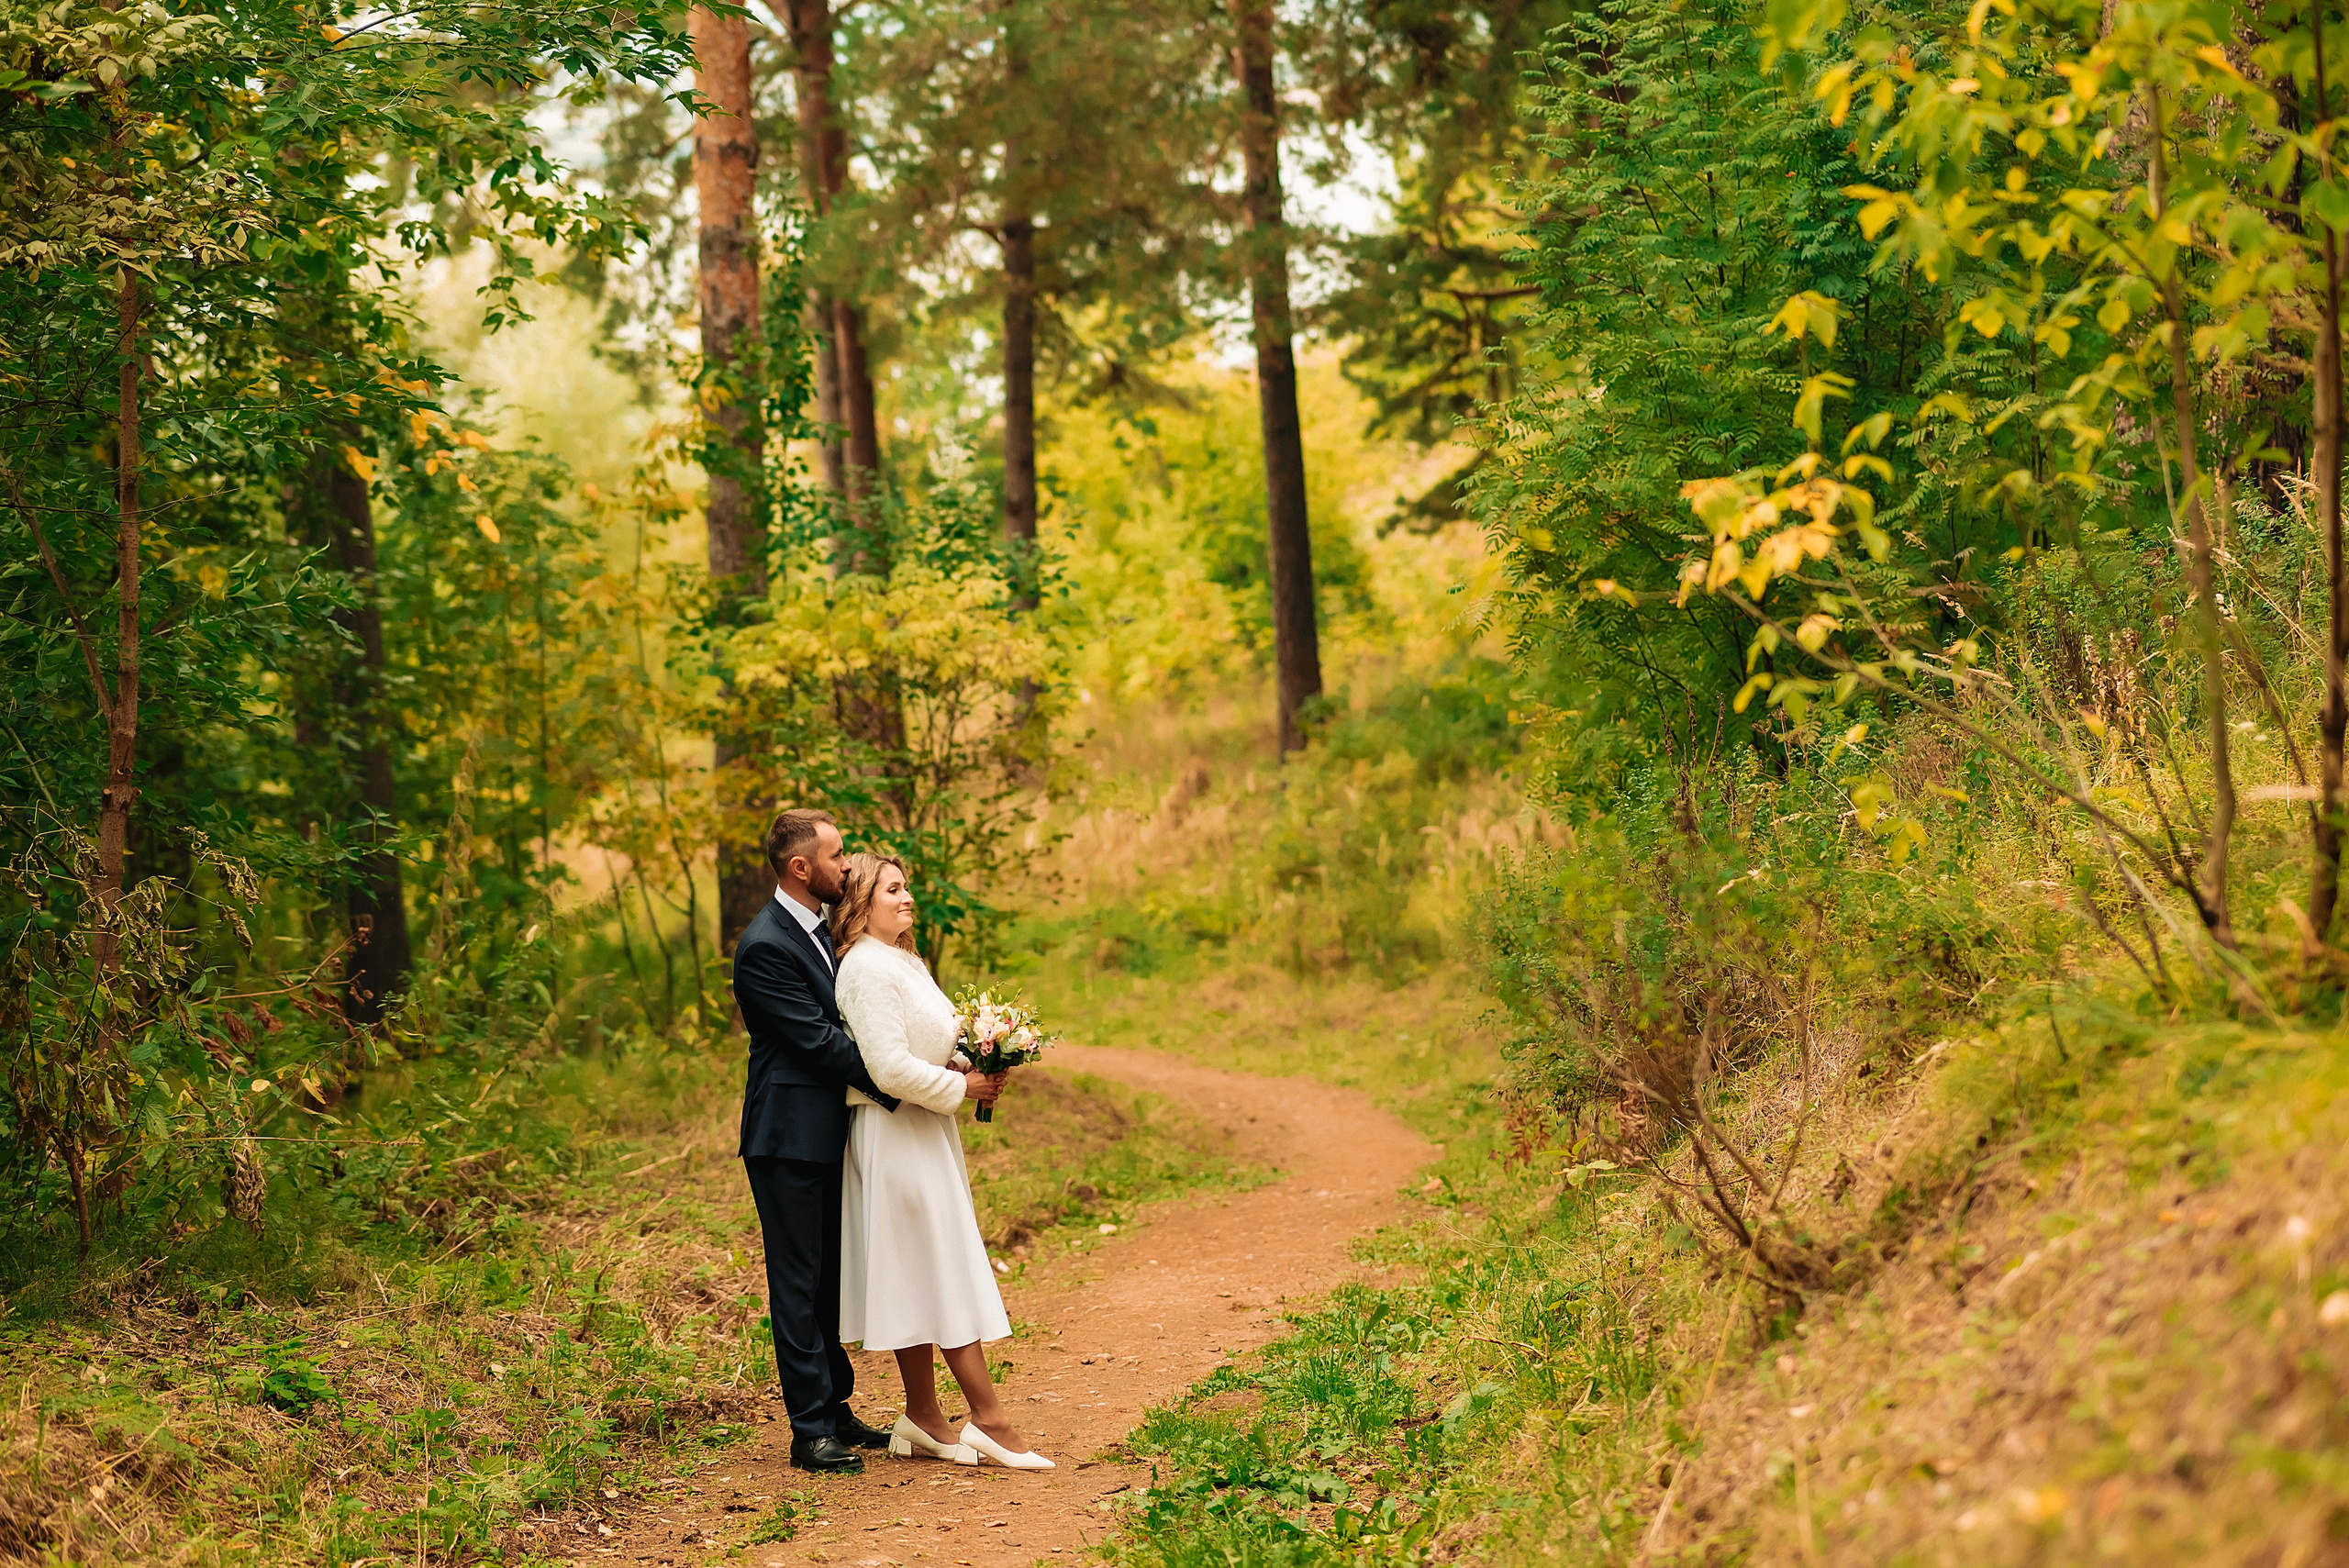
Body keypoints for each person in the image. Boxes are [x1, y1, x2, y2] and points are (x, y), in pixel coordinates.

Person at [830, 851, 1053, 1470]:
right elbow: (887, 1067)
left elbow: (926, 1045)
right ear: (861, 902)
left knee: (920, 1267)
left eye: (907, 889)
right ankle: (989, 1418)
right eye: (893, 889)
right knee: (939, 1265)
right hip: (895, 1134)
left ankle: (924, 1416)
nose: (907, 899)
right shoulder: (865, 968)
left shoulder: (903, 959)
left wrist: (972, 1065)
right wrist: (964, 1090)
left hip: (925, 1131)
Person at [733, 808, 902, 1474]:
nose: (849, 864)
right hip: (787, 1137)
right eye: (837, 855)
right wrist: (905, 1081)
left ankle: (835, 1408)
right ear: (801, 868)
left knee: (829, 1280)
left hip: (829, 1132)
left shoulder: (826, 930)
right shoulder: (765, 945)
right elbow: (820, 1043)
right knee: (798, 1284)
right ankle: (809, 1431)